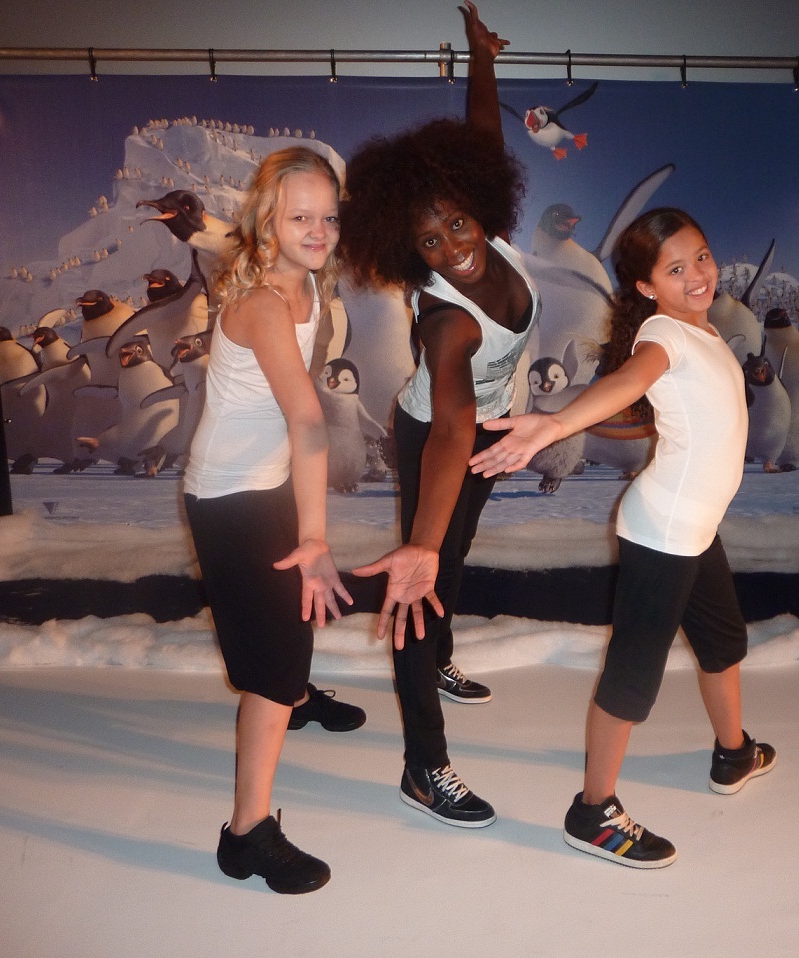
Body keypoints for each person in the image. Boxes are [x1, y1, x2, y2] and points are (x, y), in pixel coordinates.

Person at [470, 208, 776, 868]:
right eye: (675, 269)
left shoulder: (705, 332)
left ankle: (733, 752)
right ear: (645, 286)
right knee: (632, 676)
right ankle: (592, 811)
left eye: (700, 257)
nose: (696, 275)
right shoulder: (663, 336)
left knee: (723, 642)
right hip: (664, 533)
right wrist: (556, 425)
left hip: (695, 528)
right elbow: (628, 382)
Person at [340, 1, 533, 828]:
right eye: (429, 242)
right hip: (438, 437)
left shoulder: (492, 233)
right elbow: (452, 425)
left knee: (454, 555)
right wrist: (417, 541)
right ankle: (424, 766)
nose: (453, 246)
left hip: (488, 428)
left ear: (477, 205)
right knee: (422, 581)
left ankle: (440, 649)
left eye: (457, 222)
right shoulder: (447, 319)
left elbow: (483, 134)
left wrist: (480, 57)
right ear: (407, 251)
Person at [182, 146, 365, 894]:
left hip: (270, 482)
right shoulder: (260, 304)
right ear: (267, 224)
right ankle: (245, 836)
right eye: (300, 218)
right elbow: (308, 420)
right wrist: (313, 536)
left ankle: (296, 691)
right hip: (230, 499)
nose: (319, 231)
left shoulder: (308, 284)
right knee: (271, 660)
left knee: (292, 616)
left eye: (329, 218)